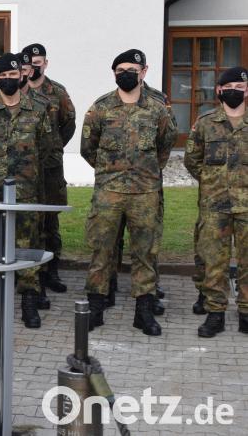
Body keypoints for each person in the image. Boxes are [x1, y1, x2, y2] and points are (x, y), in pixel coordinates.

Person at [80, 49, 176, 336]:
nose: (126, 74)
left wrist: (144, 172)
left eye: (132, 70)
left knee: (145, 253)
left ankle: (143, 313)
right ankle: (95, 308)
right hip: (109, 193)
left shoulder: (157, 109)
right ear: (114, 73)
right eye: (120, 70)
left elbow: (164, 146)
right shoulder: (100, 108)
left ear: (143, 72)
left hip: (145, 193)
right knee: (102, 251)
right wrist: (110, 172)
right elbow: (88, 148)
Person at [0, 53, 52, 329]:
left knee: (27, 245)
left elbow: (45, 147)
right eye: (2, 76)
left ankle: (29, 299)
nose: (8, 80)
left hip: (26, 190)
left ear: (22, 75)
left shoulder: (38, 110)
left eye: (12, 75)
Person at [184, 66, 248, 338]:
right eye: (229, 87)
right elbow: (192, 159)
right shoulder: (206, 122)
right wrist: (212, 182)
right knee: (214, 262)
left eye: (240, 88)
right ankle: (215, 313)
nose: (235, 92)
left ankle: (245, 312)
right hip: (214, 205)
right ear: (220, 90)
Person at [22, 43, 76, 296]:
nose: (34, 67)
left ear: (45, 63)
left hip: (50, 168)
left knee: (50, 221)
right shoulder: (17, 91)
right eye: (30, 63)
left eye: (38, 62)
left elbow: (69, 122)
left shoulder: (57, 92)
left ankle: (52, 271)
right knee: (27, 222)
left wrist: (54, 146)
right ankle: (27, 272)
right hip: (24, 169)